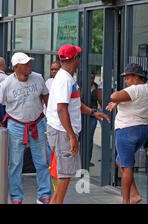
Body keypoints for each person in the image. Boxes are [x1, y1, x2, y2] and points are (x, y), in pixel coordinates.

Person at [0, 52, 51, 204]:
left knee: (42, 162)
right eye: (25, 63)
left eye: (29, 62)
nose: (29, 65)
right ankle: (16, 197)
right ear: (16, 67)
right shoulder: (6, 84)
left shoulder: (38, 78)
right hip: (16, 126)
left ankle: (44, 194)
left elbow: (46, 98)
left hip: (37, 123)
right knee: (15, 164)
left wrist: (51, 119)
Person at [46, 44, 109, 204]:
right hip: (62, 133)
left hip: (63, 132)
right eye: (78, 57)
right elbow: (61, 109)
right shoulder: (64, 80)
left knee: (63, 174)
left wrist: (93, 112)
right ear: (75, 59)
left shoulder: (66, 78)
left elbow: (75, 104)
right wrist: (71, 136)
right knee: (64, 174)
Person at [106, 63, 148, 204]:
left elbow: (113, 95)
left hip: (126, 130)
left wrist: (117, 100)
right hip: (142, 130)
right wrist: (119, 102)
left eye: (128, 77)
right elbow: (133, 101)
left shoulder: (135, 89)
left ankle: (125, 200)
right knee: (120, 161)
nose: (126, 81)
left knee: (127, 165)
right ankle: (135, 194)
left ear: (137, 77)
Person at [87, 72, 100, 167]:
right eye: (90, 77)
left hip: (93, 115)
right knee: (81, 138)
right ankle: (81, 160)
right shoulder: (82, 86)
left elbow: (100, 100)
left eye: (93, 77)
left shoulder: (96, 87)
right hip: (83, 114)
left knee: (90, 138)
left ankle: (88, 160)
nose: (91, 79)